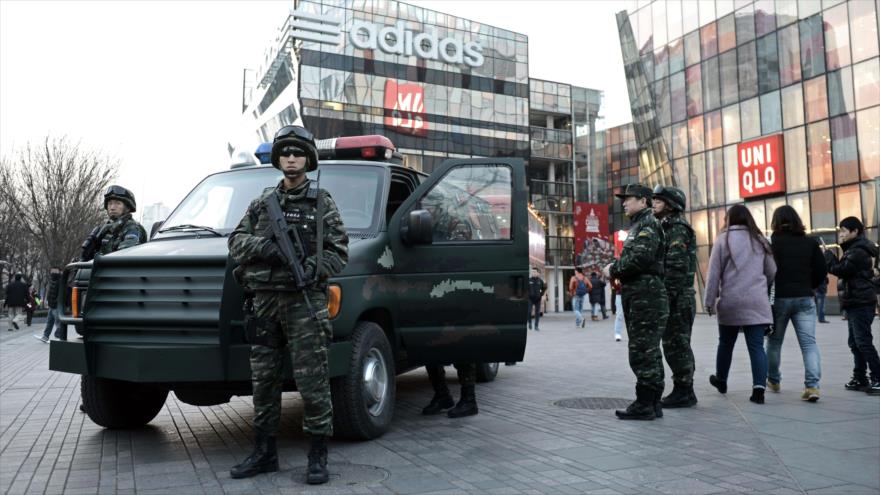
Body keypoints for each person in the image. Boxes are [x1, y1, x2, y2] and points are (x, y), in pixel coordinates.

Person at [228, 125, 349, 483]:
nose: (291, 158)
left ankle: (317, 455)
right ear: (278, 159)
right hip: (265, 301)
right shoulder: (262, 203)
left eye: (297, 153)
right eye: (285, 153)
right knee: (264, 380)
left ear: (308, 160)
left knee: (313, 380)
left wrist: (314, 268)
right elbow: (236, 241)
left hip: (303, 302)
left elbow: (339, 251)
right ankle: (264, 452)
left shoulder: (321, 201)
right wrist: (265, 247)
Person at [603, 184, 667, 420]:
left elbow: (640, 258)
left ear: (643, 201)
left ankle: (645, 404)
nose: (624, 203)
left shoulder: (647, 224)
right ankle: (653, 402)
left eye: (628, 198)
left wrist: (613, 269)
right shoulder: (642, 224)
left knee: (642, 351)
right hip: (642, 295)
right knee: (650, 350)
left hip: (645, 296)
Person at [704, 205, 776, 405]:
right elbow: (772, 271)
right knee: (756, 346)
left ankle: (721, 380)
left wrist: (709, 301)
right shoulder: (760, 240)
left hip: (731, 301)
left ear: (729, 219)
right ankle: (759, 389)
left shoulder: (723, 240)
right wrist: (760, 285)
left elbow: (713, 274)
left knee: (726, 343)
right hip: (756, 301)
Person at [765, 206, 826, 402]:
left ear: (775, 222)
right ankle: (812, 386)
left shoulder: (771, 244)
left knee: (774, 343)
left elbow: (765, 272)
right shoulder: (810, 242)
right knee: (809, 344)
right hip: (805, 298)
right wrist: (809, 286)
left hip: (779, 299)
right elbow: (821, 270)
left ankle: (774, 380)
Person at [652, 185, 698, 409]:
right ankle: (683, 389)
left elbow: (676, 267)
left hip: (678, 297)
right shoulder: (666, 227)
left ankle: (684, 391)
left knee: (677, 345)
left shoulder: (678, 228)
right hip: (674, 296)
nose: (654, 203)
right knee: (673, 344)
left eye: (659, 201)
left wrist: (666, 297)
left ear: (671, 205)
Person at [824, 217, 880, 395]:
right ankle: (860, 378)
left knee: (863, 342)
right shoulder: (854, 248)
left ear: (855, 231)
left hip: (861, 302)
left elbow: (841, 270)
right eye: (840, 231)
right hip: (855, 301)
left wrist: (829, 258)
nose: (840, 234)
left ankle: (877, 378)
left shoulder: (858, 251)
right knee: (855, 342)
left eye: (844, 231)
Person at [34, 267, 61, 343]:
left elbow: (60, 294)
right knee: (50, 321)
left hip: (56, 306)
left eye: (54, 271)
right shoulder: (52, 280)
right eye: (51, 271)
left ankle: (60, 336)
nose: (52, 273)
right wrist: (48, 301)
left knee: (58, 322)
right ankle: (45, 336)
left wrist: (56, 302)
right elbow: (49, 292)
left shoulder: (60, 281)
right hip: (51, 305)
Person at [527, 267, 546, 331]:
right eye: (532, 272)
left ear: (538, 273)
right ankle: (529, 323)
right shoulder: (529, 280)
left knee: (537, 313)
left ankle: (536, 326)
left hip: (538, 299)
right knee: (529, 311)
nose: (533, 273)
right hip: (530, 299)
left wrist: (542, 295)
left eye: (534, 272)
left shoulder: (540, 281)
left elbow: (544, 288)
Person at [611, 277, 624, 342]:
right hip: (620, 294)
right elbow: (614, 284)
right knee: (619, 315)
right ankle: (617, 333)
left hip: (632, 293)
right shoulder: (618, 275)